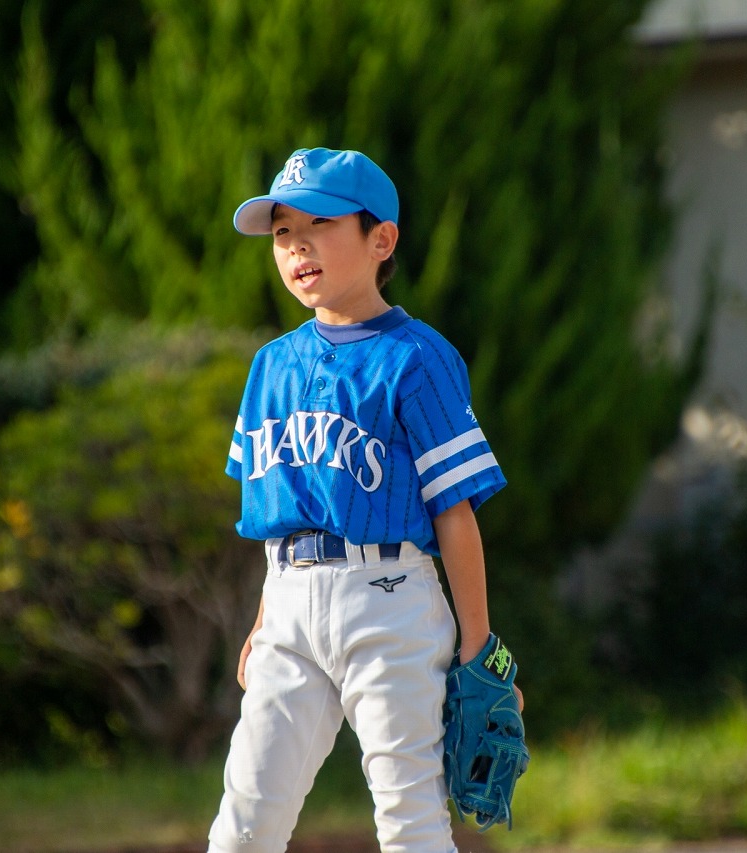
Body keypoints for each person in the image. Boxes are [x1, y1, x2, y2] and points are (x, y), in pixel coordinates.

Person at [208, 147, 518, 853]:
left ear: (382, 240)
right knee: (244, 822)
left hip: (391, 600)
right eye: (283, 231)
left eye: (320, 222)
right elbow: (280, 511)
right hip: (289, 601)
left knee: (408, 820)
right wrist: (263, 616)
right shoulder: (271, 365)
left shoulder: (418, 356)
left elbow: (454, 508)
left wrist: (478, 645)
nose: (297, 245)